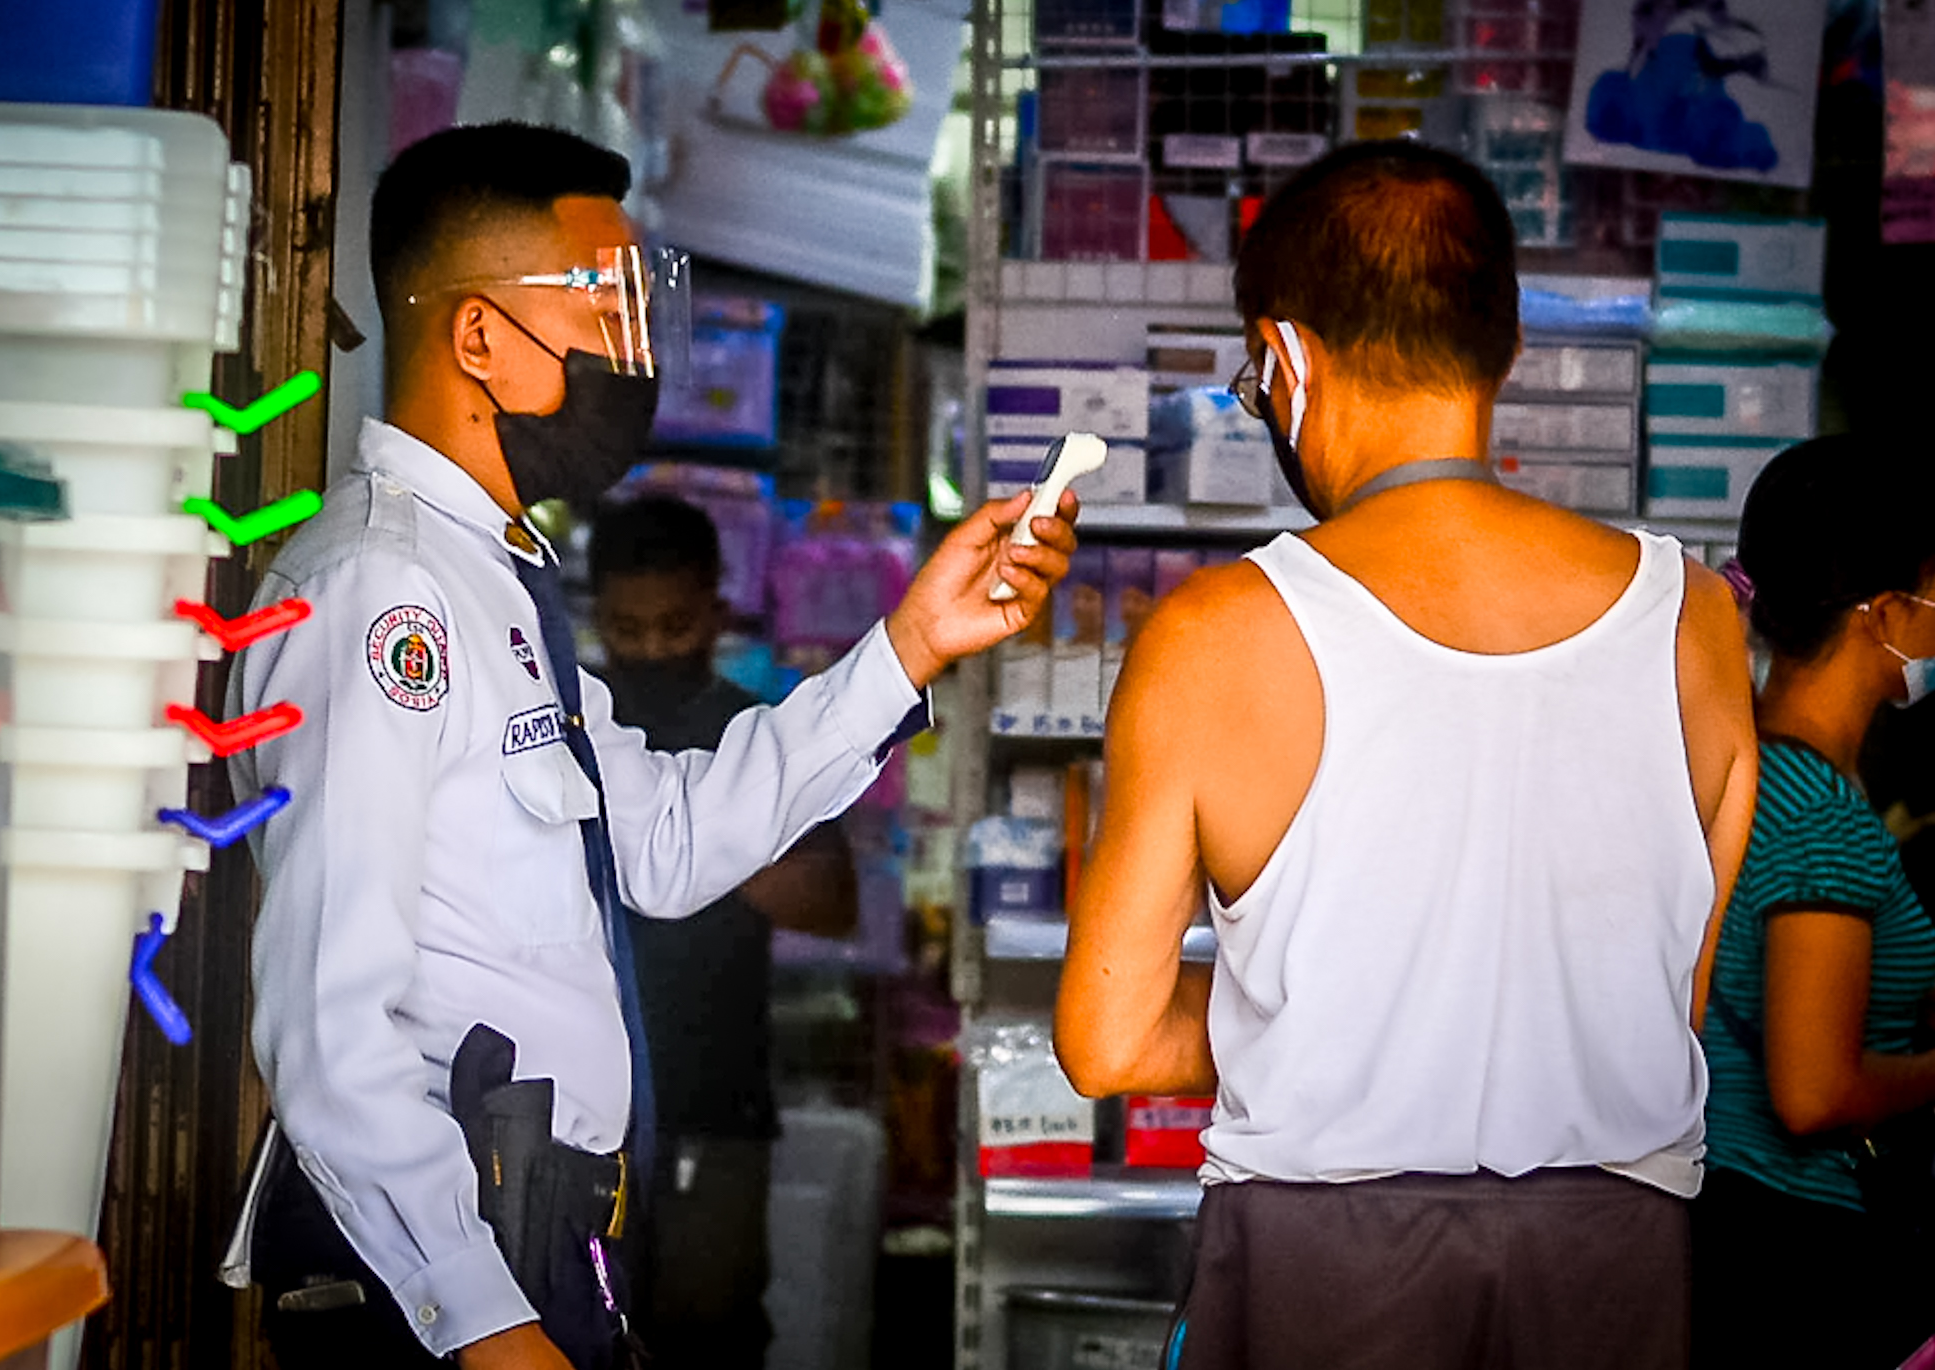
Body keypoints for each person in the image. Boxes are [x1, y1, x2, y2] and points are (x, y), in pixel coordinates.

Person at [224, 121, 1076, 1370]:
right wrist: (486, 1321)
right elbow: (326, 1018)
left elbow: (667, 844)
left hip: (544, 1246)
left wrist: (910, 645)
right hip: (443, 1287)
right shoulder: (379, 593)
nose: (638, 352)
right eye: (607, 307)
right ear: (478, 337)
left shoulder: (497, 584)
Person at [1051, 139, 1758, 1370]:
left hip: (1318, 1269)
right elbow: (1663, 997)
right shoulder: (1692, 618)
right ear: (1508, 350)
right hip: (1616, 1262)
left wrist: (1340, 1009)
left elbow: (1106, 1041)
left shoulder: (1215, 636)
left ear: (1282, 358)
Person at [588, 493, 858, 1370]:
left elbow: (832, 898)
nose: (656, 649)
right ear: (597, 619)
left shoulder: (754, 735)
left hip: (717, 1110)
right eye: (631, 631)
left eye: (675, 625)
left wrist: (693, 841)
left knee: (712, 1343)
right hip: (577, 1112)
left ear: (714, 607)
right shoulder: (566, 730)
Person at [1691, 437, 1935, 1369]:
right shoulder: (1823, 821)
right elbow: (1814, 1092)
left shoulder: (1740, 775)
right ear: (1883, 614)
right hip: (1790, 1260)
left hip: (1722, 1230)